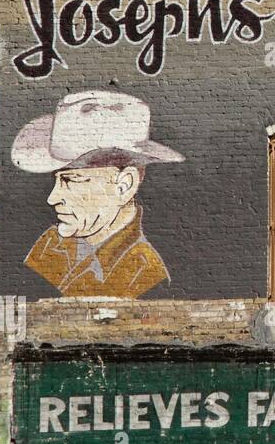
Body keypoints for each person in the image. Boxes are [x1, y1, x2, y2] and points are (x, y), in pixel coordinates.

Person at [11, 91, 184, 298]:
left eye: (72, 180)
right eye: (56, 180)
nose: (53, 198)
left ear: (124, 186)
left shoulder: (144, 273)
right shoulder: (50, 243)